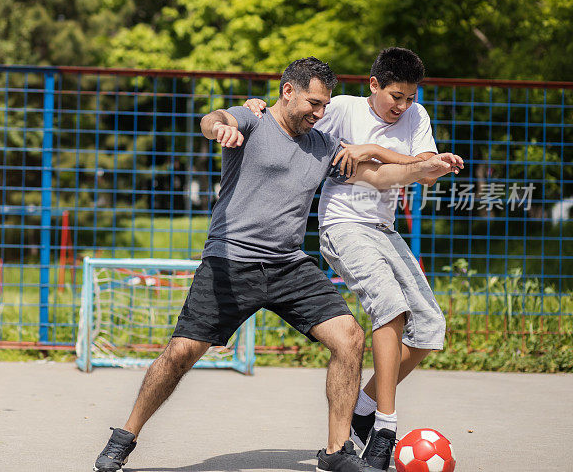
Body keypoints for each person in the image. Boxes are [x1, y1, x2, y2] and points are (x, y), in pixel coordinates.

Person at [94, 57, 462, 472]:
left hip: (289, 266)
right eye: (313, 103)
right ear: (288, 91)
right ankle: (124, 436)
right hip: (231, 260)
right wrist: (221, 127)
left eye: (324, 106)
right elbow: (210, 119)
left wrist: (426, 166)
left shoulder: (323, 145)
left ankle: (337, 450)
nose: (320, 113)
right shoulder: (252, 121)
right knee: (182, 352)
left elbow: (377, 177)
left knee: (349, 339)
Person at [242, 48, 460, 470]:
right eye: (395, 96)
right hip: (343, 225)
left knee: (430, 326)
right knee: (390, 307)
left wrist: (386, 153)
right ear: (374, 85)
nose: (403, 106)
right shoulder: (342, 107)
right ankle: (384, 427)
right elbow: (292, 115)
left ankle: (363, 406)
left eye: (411, 97)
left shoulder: (418, 117)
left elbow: (422, 166)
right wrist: (255, 107)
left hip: (384, 229)